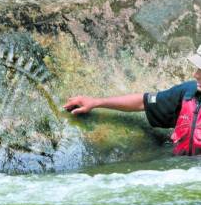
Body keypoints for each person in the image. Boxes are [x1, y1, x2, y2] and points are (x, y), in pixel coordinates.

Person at [63, 45, 201, 156]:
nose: (196, 74)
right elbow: (142, 101)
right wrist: (96, 102)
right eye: (197, 69)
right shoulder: (188, 92)